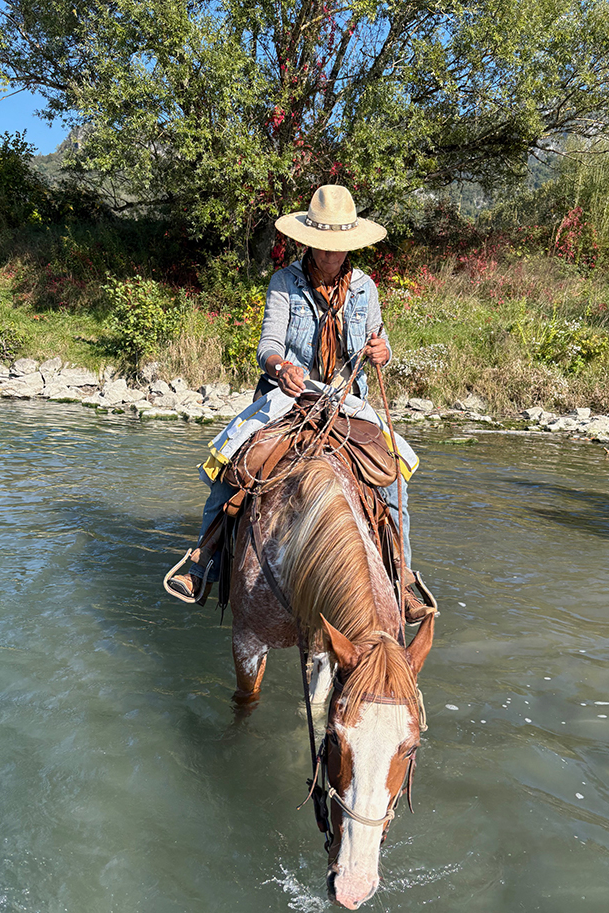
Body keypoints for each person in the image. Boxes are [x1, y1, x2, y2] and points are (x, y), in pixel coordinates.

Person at [171, 184, 432, 622]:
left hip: (346, 400)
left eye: (339, 249)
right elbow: (268, 344)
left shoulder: (366, 289)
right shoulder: (284, 282)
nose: (331, 258)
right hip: (288, 396)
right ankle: (205, 560)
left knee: (392, 475)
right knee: (234, 465)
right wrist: (280, 368)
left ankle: (400, 574)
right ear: (308, 242)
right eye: (323, 248)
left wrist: (382, 350)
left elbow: (378, 337)